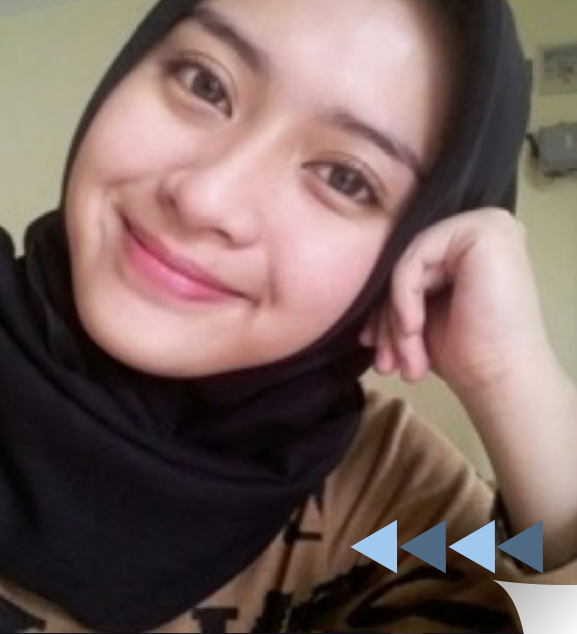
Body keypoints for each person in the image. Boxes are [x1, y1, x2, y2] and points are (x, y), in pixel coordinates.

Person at [0, 0, 576, 632]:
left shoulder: (381, 510)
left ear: (411, 245)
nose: (205, 198)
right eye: (205, 83)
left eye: (345, 178)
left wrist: (512, 378)